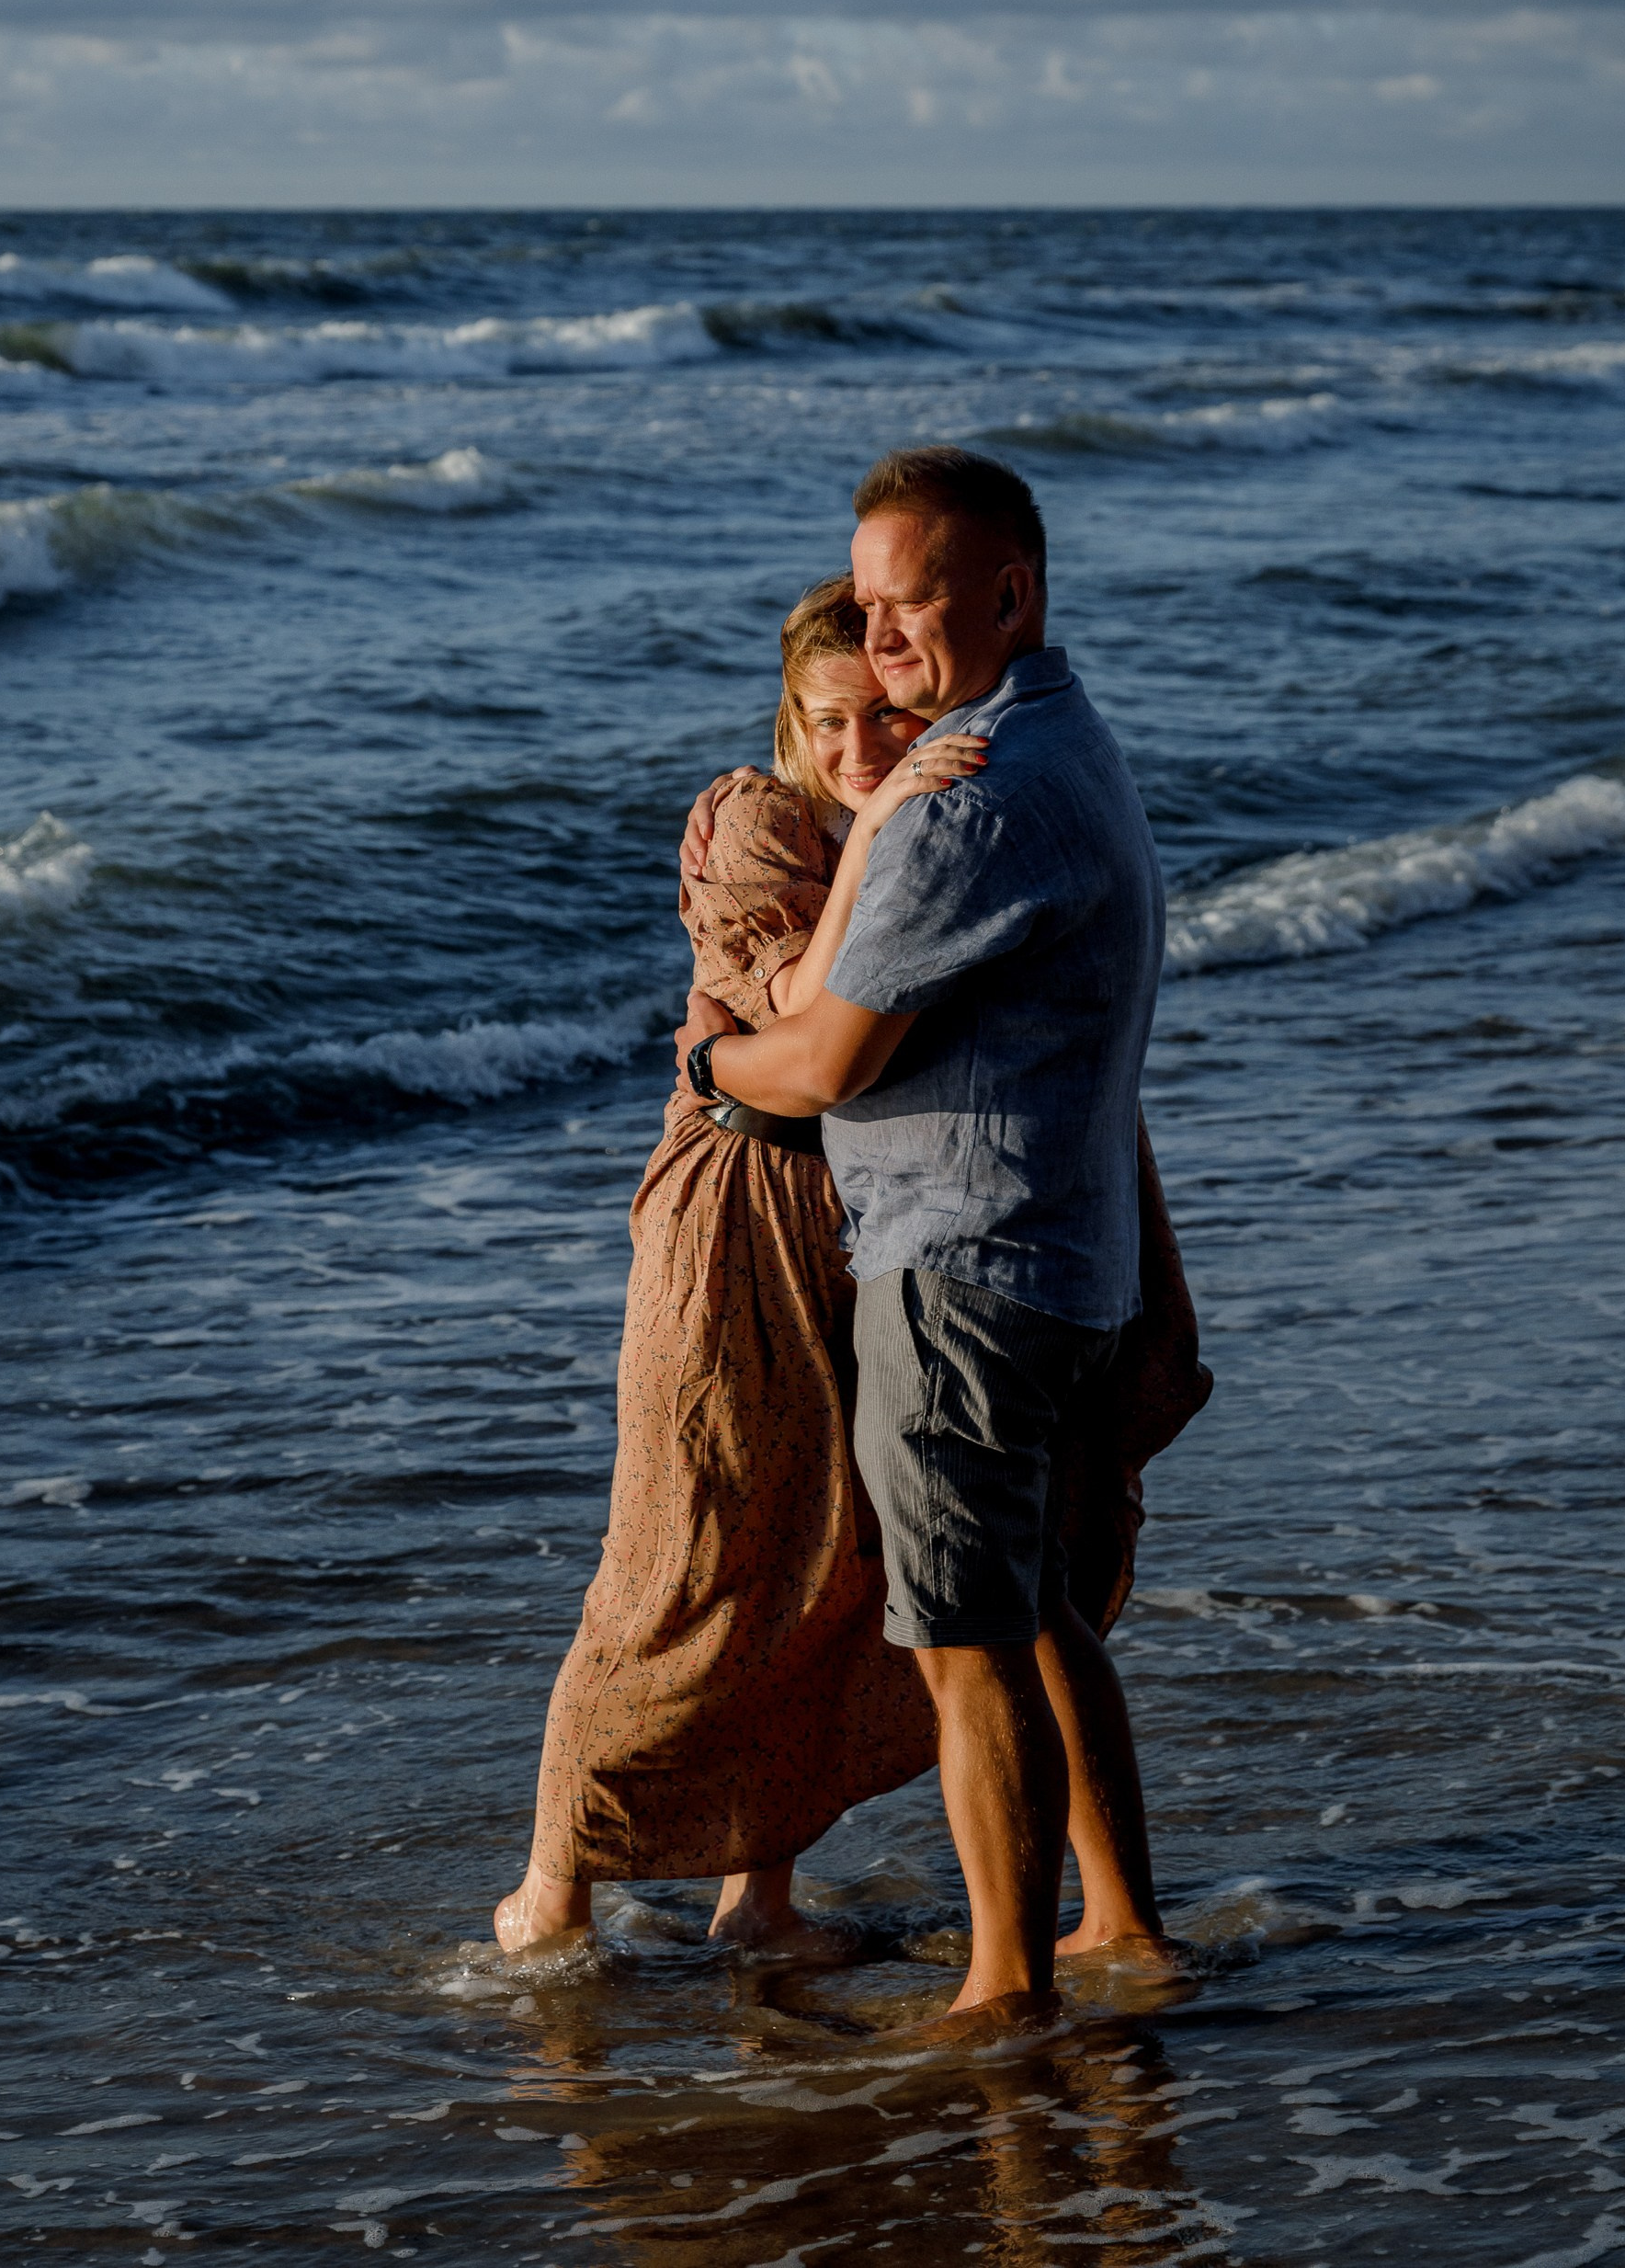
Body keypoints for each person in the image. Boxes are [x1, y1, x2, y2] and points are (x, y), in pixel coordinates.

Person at [678, 444, 1184, 2015]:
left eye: (914, 605)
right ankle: (1117, 1930)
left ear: (1011, 593)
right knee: (1032, 1611)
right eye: (872, 604)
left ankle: (1002, 1992)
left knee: (966, 1644)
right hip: (1061, 1248)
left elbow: (820, 1062)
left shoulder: (962, 809)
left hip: (963, 1263)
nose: (882, 639)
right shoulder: (1067, 740)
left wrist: (704, 1061)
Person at [494, 579, 983, 1957]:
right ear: (790, 713)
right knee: (678, 1551)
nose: (859, 748)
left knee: (820, 1554)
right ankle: (550, 1894)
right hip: (731, 1205)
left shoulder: (913, 811)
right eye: (831, 720)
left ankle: (755, 1902)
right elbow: (793, 1007)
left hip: (854, 1209)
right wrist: (884, 819)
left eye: (889, 719)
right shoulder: (754, 818)